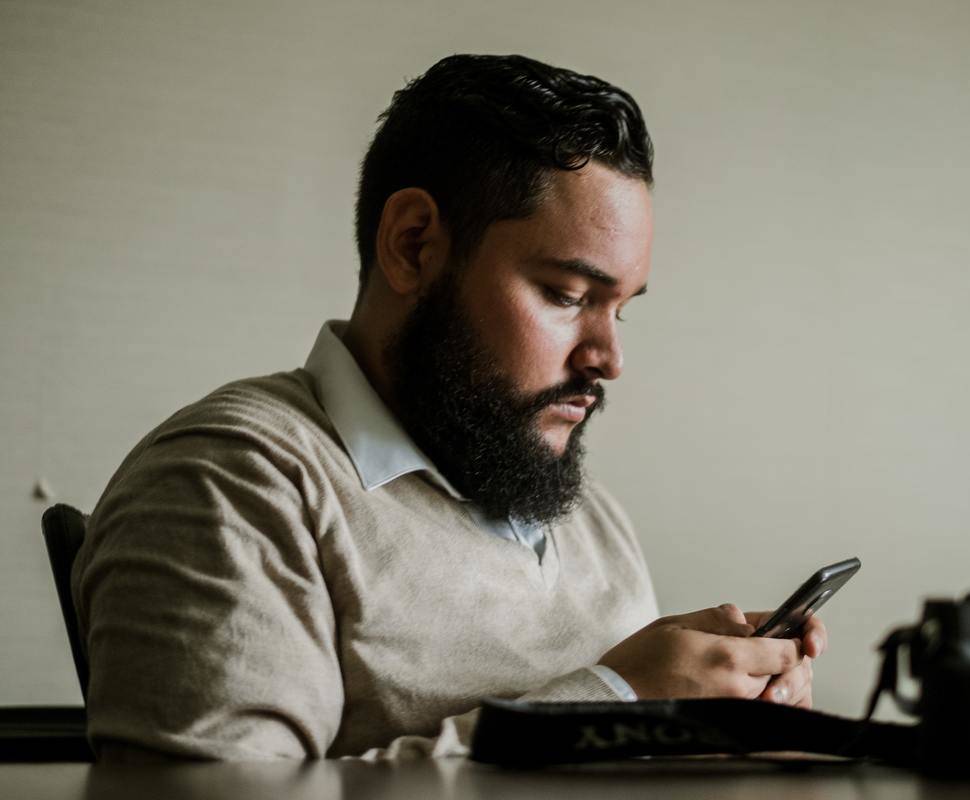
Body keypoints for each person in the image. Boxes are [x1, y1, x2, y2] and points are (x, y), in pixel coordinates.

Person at [71, 53, 827, 762]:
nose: (609, 359)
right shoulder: (232, 486)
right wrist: (612, 701)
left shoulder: (591, 520)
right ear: (412, 244)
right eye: (567, 296)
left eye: (620, 309)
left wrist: (720, 721)